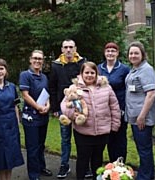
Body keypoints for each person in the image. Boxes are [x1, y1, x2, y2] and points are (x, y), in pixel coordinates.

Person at [61, 61, 121, 180]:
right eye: (86, 72)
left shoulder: (106, 88)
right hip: (83, 131)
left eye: (92, 73)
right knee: (83, 159)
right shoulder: (75, 88)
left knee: (97, 159)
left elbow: (114, 106)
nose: (89, 75)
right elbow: (64, 106)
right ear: (82, 74)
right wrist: (74, 114)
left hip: (102, 131)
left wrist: (115, 125)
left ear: (97, 73)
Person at [48, 39, 92, 179]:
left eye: (71, 47)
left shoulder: (82, 63)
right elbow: (52, 87)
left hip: (80, 107)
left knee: (83, 137)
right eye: (65, 47)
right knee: (65, 138)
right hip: (63, 109)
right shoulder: (56, 66)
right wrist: (55, 108)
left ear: (75, 48)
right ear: (61, 49)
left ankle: (85, 166)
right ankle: (64, 165)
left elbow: (88, 83)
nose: (68, 50)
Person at [125, 41, 155, 180]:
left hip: (141, 118)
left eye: (136, 53)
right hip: (134, 116)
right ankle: (149, 175)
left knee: (144, 150)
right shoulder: (134, 69)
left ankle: (144, 177)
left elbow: (151, 94)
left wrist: (142, 116)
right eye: (131, 53)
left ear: (143, 54)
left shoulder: (146, 70)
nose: (133, 55)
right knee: (143, 148)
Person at [19, 50, 52, 180]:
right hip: (31, 117)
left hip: (43, 116)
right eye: (35, 58)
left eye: (40, 59)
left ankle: (41, 167)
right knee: (32, 147)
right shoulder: (25, 75)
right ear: (30, 59)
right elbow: (25, 95)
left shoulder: (44, 77)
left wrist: (48, 106)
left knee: (41, 145)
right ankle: (33, 175)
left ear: (43, 61)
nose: (37, 61)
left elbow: (46, 93)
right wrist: (38, 107)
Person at [98, 42, 130, 163]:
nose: (110, 53)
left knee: (120, 139)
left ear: (117, 53)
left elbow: (128, 89)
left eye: (113, 51)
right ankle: (112, 166)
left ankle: (121, 166)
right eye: (108, 51)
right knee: (109, 139)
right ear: (104, 53)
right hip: (104, 110)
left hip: (119, 110)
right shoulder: (99, 68)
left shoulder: (124, 69)